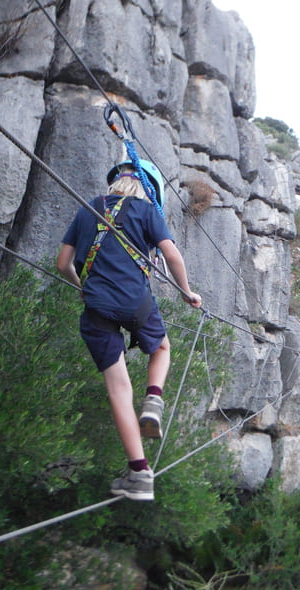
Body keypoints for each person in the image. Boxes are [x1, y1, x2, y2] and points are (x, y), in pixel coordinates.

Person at [56, 158, 202, 501]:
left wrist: (82, 286)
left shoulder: (88, 209)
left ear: (115, 183)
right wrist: (186, 292)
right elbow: (172, 256)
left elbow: (62, 263)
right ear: (149, 191)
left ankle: (139, 474)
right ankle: (154, 400)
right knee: (161, 348)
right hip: (136, 302)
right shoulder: (147, 211)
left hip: (96, 308)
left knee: (118, 389)